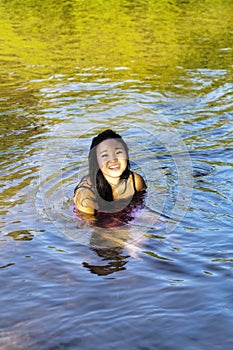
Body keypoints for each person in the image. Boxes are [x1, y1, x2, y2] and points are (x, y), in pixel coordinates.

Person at [73, 129, 146, 219]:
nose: (113, 160)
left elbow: (142, 208)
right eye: (105, 155)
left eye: (118, 152)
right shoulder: (86, 195)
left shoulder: (135, 181)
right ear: (96, 161)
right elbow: (89, 228)